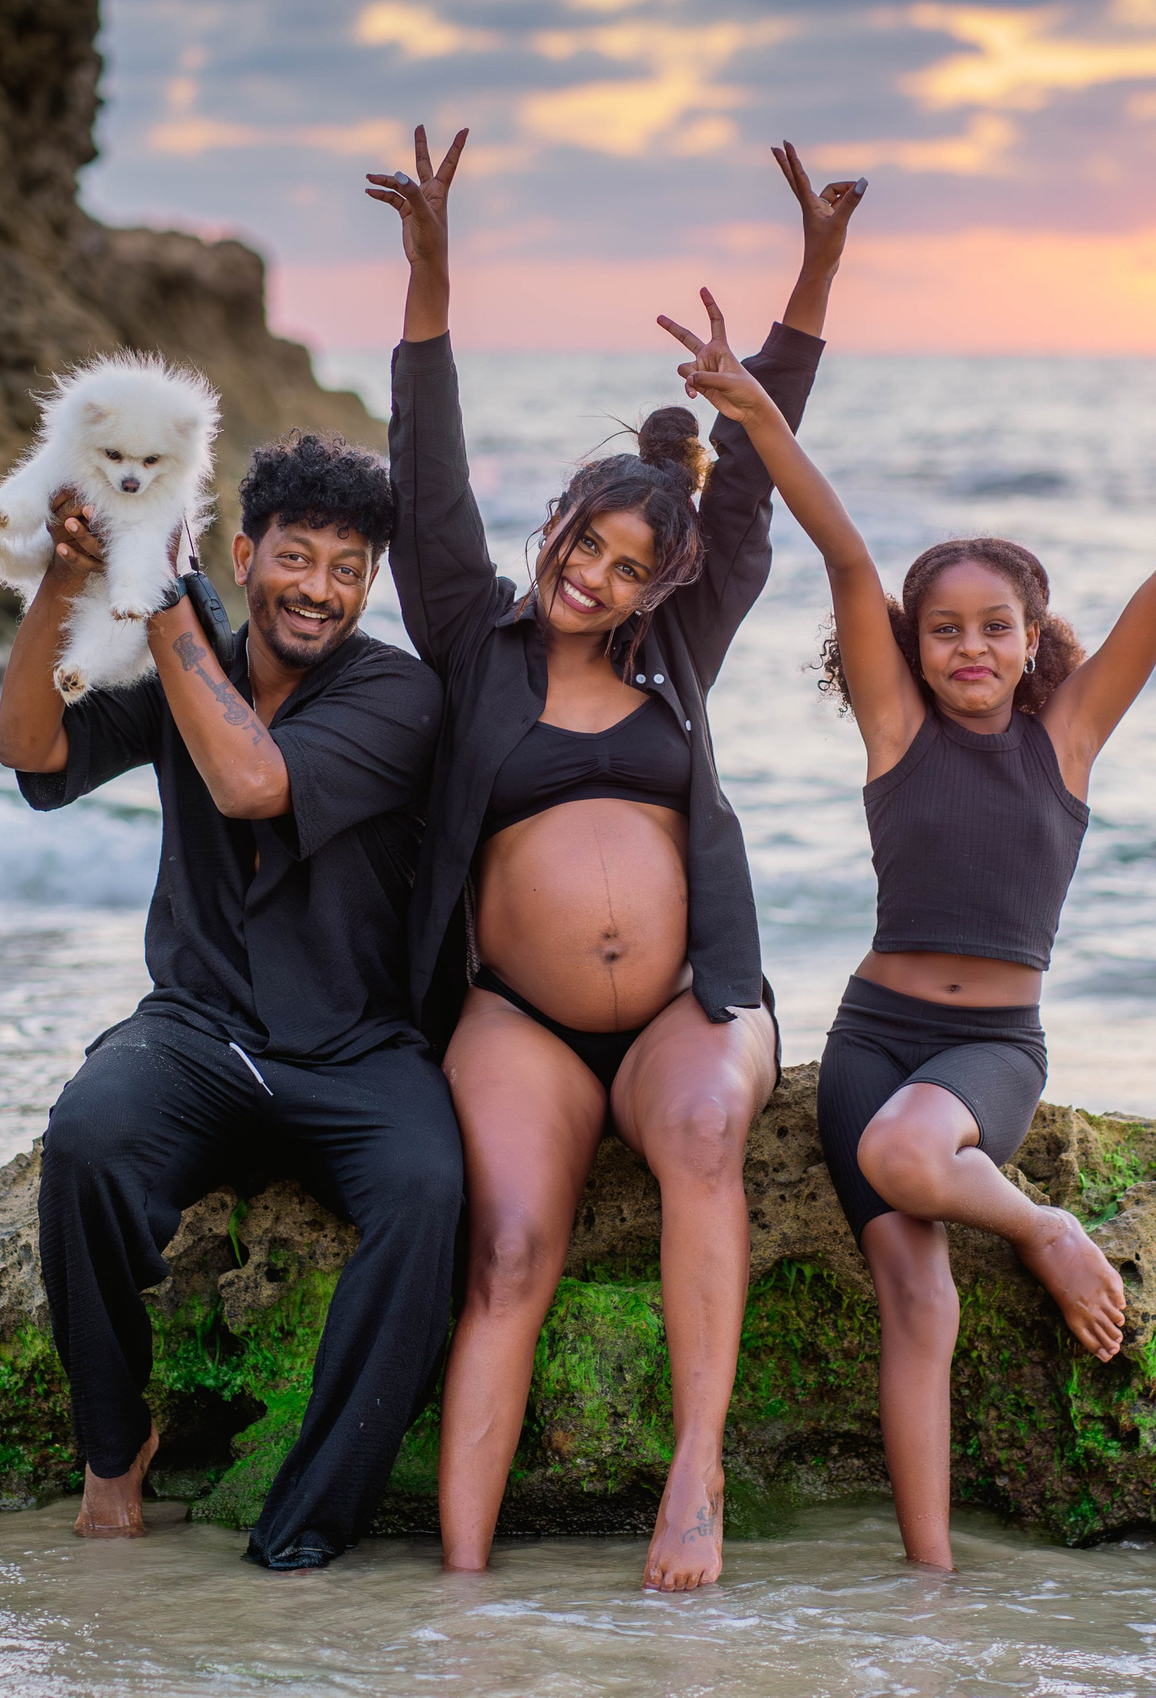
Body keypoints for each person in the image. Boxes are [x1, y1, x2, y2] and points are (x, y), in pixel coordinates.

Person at [678, 330, 1156, 1569]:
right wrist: (757, 417)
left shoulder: (1063, 740)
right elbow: (845, 551)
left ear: (1029, 637)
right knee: (915, 1301)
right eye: (944, 629)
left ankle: (1044, 1227)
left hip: (991, 1049)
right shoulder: (896, 733)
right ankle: (934, 1579)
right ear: (910, 647)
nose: (968, 648)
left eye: (993, 627)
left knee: (911, 1150)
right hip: (872, 1034)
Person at [362, 127, 863, 1590]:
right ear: (560, 528)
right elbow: (427, 469)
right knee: (512, 1245)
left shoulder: (679, 655)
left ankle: (693, 1475)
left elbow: (759, 496)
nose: (595, 575)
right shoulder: (475, 636)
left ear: (661, 580)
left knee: (708, 1134)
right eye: (585, 544)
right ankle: (461, 1584)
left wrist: (813, 276)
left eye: (630, 564)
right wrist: (431, 271)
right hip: (515, 1019)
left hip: (684, 1003)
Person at [0, 430, 464, 1572]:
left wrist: (156, 596)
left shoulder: (400, 694)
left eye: (348, 569)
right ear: (246, 554)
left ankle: (305, 1526)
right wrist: (71, 578)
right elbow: (29, 749)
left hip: (358, 1046)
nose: (320, 590)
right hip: (200, 1030)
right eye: (298, 559)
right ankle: (116, 1448)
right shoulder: (183, 656)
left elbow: (251, 779)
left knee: (429, 1194)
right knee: (87, 1140)